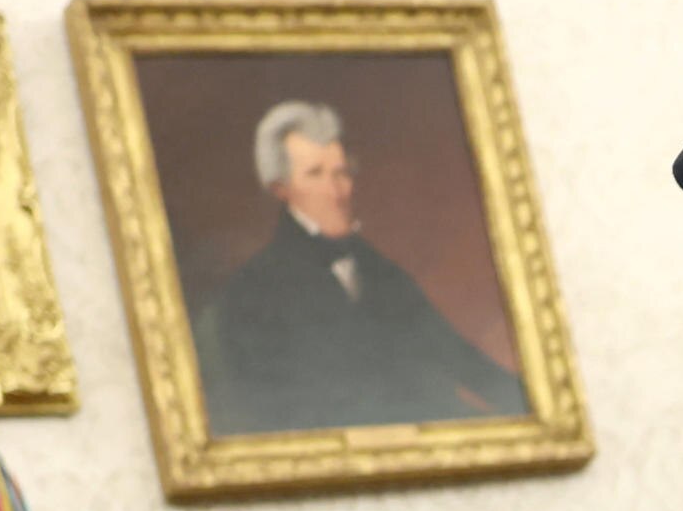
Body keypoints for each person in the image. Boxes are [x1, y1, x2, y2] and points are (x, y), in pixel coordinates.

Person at [196, 101, 528, 437]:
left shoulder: (380, 270)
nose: (337, 191)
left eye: (340, 172)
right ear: (280, 189)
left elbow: (453, 353)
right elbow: (274, 413)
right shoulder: (253, 291)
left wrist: (529, 405)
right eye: (316, 174)